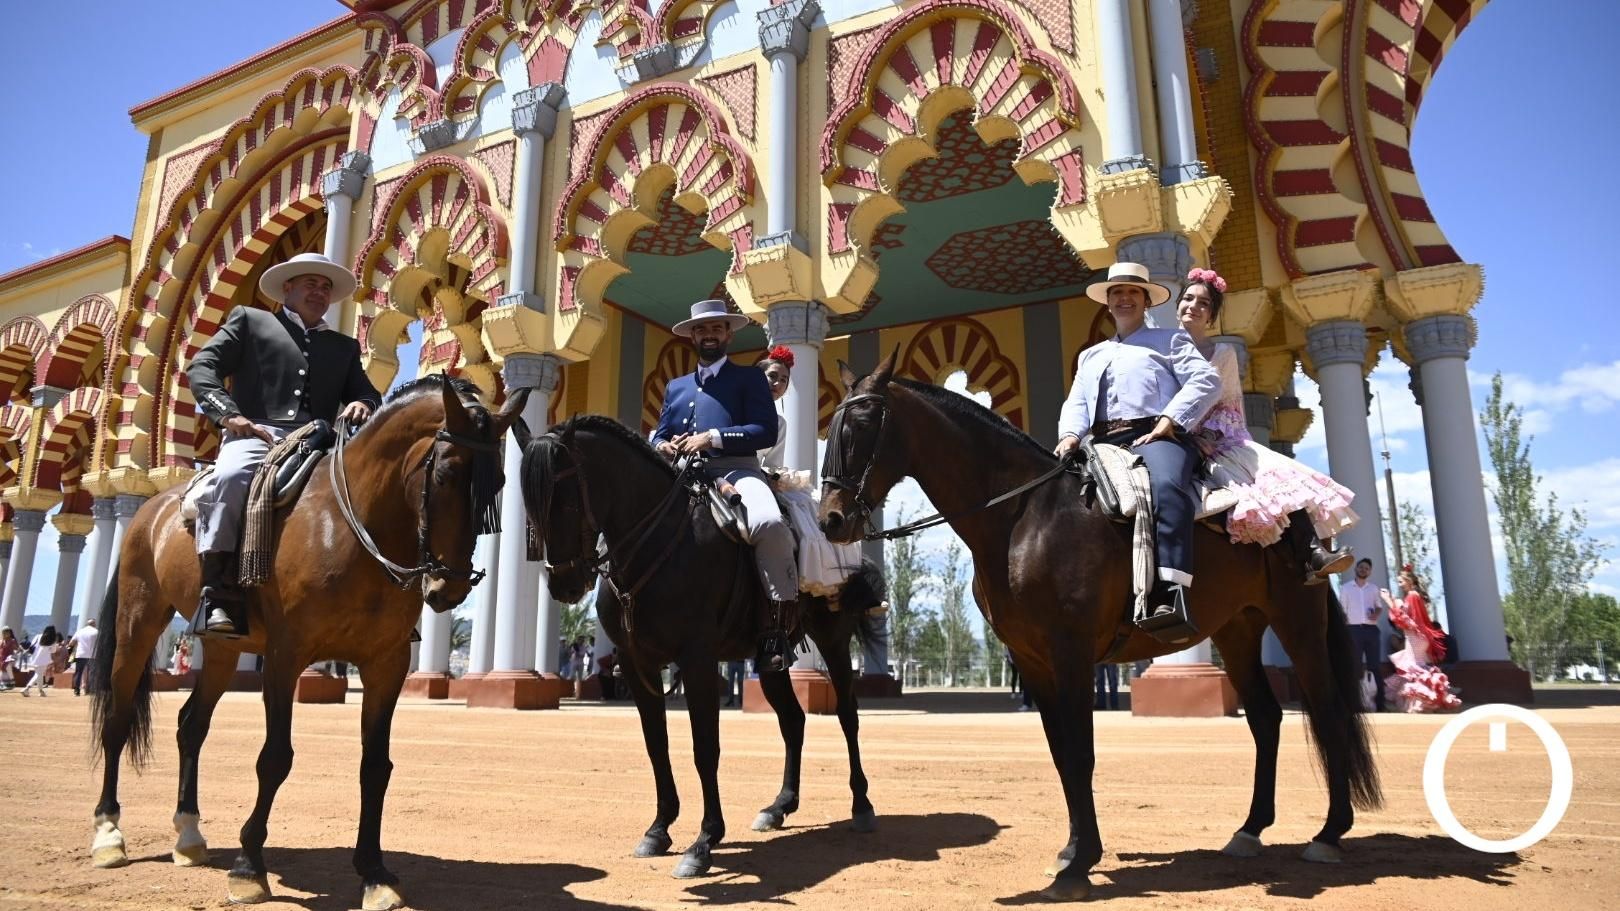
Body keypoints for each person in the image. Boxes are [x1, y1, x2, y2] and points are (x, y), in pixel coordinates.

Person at [187, 251, 382, 639]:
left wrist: (362, 402)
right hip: (255, 434)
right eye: (311, 283)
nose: (320, 292)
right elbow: (202, 367)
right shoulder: (250, 321)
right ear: (287, 287)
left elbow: (366, 392)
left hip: (318, 439)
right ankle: (219, 595)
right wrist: (229, 414)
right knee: (232, 477)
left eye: (326, 287)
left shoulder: (343, 347)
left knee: (370, 489)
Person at [1055, 262, 1222, 637]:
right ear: (1108, 303)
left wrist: (1170, 421)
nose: (1124, 298)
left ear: (1145, 300)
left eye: (1133, 292)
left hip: (1156, 436)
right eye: (1117, 293)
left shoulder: (1169, 340)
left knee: (1165, 487)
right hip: (1100, 442)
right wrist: (1068, 435)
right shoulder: (1091, 355)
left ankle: (1170, 592)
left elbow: (1206, 379)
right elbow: (1078, 401)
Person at [1174, 268, 1356, 583]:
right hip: (1171, 436)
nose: (1193, 306)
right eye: (1188, 298)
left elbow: (1227, 403)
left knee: (1275, 473)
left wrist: (1206, 435)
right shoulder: (1159, 350)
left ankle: (1312, 553)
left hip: (1216, 439)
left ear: (1212, 316)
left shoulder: (1222, 354)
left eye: (1203, 303)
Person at [650, 299, 797, 671]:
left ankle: (775, 630)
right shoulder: (676, 387)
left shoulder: (749, 378)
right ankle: (631, 624)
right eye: (702, 328)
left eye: (717, 328)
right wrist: (661, 444)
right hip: (680, 473)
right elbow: (660, 433)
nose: (709, 334)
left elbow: (764, 431)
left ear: (728, 334)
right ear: (693, 336)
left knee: (770, 523)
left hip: (736, 471)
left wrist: (712, 437)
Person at [756, 345, 864, 596]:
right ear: (757, 377)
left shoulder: (779, 422)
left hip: (760, 478)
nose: (778, 383)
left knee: (812, 509)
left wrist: (771, 478)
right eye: (772, 376)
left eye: (784, 380)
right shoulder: (734, 407)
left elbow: (772, 461)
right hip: (731, 472)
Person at [1380, 566, 1460, 712]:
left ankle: (1421, 703)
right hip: (1418, 637)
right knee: (1417, 668)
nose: (1400, 584)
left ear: (1409, 581)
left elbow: (1406, 621)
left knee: (1413, 669)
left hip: (1414, 637)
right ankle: (1424, 701)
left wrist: (1389, 602)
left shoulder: (1412, 596)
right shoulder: (1415, 596)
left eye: (1401, 581)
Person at [1338, 558, 1387, 711]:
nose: (1363, 570)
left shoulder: (1373, 589)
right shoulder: (1346, 588)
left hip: (1371, 631)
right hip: (1353, 630)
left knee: (1375, 667)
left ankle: (1381, 704)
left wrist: (1376, 615)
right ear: (1356, 569)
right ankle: (1354, 704)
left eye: (1366, 568)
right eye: (1361, 567)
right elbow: (1342, 610)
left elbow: (1379, 607)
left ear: (1370, 571)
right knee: (1355, 666)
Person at [18, 625, 60, 697]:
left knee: (38, 674)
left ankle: (41, 691)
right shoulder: (52, 640)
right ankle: (27, 688)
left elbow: (32, 645)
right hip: (44, 660)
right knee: (38, 675)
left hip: (34, 658)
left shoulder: (38, 636)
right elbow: (53, 651)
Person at [67, 618, 99, 697]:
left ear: (87, 624)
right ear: (94, 624)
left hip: (81, 654)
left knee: (79, 672)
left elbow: (71, 643)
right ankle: (89, 689)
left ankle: (77, 690)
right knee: (92, 673)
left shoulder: (80, 631)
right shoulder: (97, 632)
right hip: (93, 655)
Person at [0, 626, 18, 691]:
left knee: (7, 668)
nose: (5, 634)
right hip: (2, 658)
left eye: (6, 632)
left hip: (9, 657)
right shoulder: (2, 641)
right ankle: (5, 684)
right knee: (3, 671)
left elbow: (16, 648)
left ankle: (10, 683)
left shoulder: (12, 640)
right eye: (3, 632)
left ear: (9, 633)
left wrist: (14, 655)